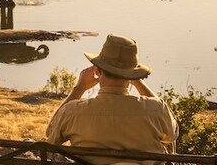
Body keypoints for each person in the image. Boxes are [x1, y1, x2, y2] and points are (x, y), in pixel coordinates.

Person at [45, 33, 178, 158]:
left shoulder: (73, 111)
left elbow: (51, 134)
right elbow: (171, 135)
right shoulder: (155, 109)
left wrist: (79, 89)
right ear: (133, 76)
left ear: (97, 71)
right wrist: (139, 83)